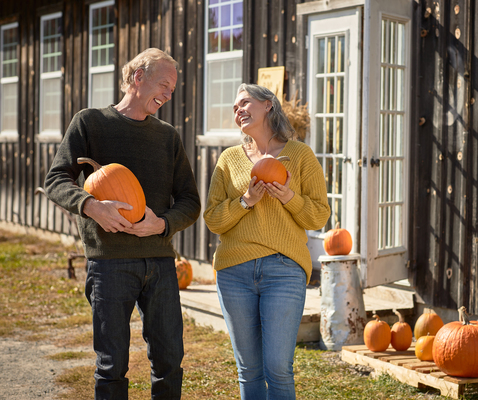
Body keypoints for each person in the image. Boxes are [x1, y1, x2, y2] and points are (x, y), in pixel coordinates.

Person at [44, 48, 201, 399]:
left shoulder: (167, 137)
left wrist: (161, 224)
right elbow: (56, 180)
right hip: (109, 264)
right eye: (163, 84)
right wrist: (91, 206)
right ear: (137, 77)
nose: (168, 94)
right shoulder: (90, 122)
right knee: (111, 364)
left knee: (170, 360)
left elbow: (190, 202)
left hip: (160, 263)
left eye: (172, 89)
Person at [203, 83, 330, 399]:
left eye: (245, 102)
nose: (239, 110)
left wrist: (289, 197)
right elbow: (213, 219)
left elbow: (318, 217)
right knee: (249, 370)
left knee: (278, 368)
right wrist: (246, 200)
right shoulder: (229, 160)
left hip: (284, 271)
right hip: (234, 273)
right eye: (235, 108)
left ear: (268, 105)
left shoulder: (299, 155)